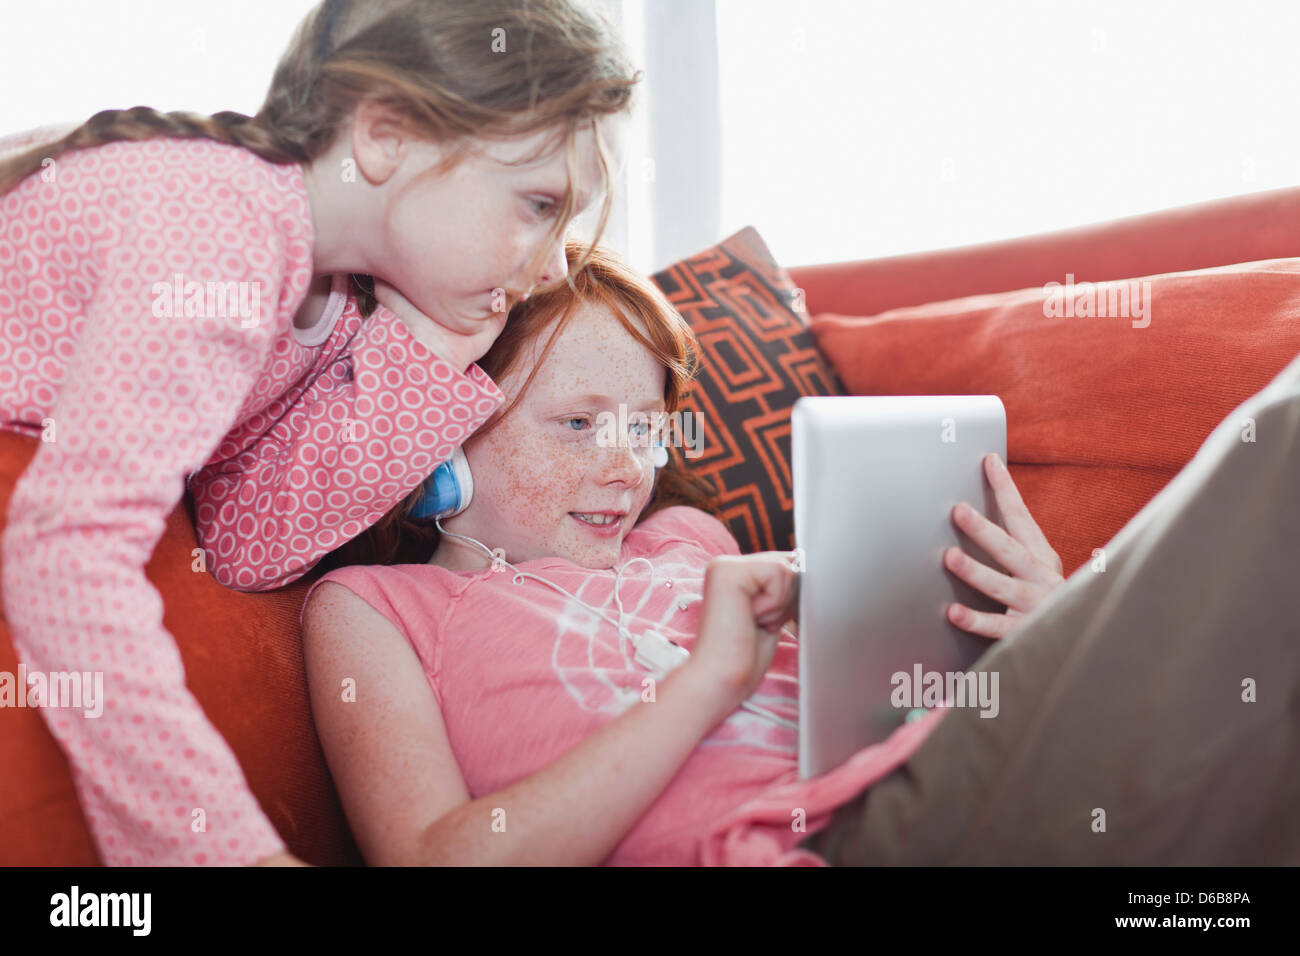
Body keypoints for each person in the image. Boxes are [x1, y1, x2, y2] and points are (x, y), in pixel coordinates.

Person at [0, 0, 637, 866]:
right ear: (386, 134)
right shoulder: (218, 230)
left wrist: (433, 344)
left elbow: (243, 546)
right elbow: (65, 557)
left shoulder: (333, 304)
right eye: (538, 204)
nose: (557, 261)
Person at [299, 241, 1072, 865]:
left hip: (959, 782)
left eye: (644, 430)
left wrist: (1053, 634)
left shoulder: (690, 540)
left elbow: (874, 702)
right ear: (444, 439)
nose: (628, 468)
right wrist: (708, 681)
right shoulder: (376, 609)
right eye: (578, 425)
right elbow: (432, 858)